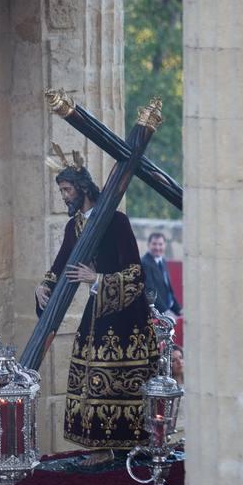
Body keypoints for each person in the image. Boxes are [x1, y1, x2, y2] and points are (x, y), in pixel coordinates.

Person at [36, 148, 159, 450]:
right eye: (62, 190)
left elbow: (135, 273)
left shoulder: (116, 222)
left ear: (83, 188)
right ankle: (100, 448)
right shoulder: (74, 226)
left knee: (118, 376)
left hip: (127, 317)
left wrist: (97, 280)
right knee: (88, 373)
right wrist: (43, 288)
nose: (64, 196)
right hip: (98, 313)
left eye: (67, 189)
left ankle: (129, 449)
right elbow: (60, 267)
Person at [141, 232, 182, 318]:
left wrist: (178, 310)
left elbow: (168, 291)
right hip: (155, 314)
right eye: (154, 244)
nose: (157, 247)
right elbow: (150, 291)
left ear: (165, 245)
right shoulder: (144, 263)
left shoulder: (162, 261)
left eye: (160, 244)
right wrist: (166, 312)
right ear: (148, 245)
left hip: (167, 310)